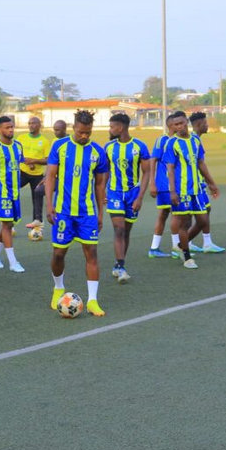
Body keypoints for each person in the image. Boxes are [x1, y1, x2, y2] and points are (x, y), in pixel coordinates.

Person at [45, 110, 109, 316]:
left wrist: (100, 213)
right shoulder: (59, 146)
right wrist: (49, 205)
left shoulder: (98, 152)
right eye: (81, 132)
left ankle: (92, 301)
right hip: (63, 212)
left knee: (91, 254)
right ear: (74, 128)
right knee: (58, 253)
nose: (84, 136)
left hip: (87, 213)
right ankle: (58, 289)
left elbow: (100, 185)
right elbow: (51, 176)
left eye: (88, 133)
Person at [0, 116, 44, 272]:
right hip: (2, 192)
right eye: (7, 127)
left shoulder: (18, 146)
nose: (10, 130)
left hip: (15, 192)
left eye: (12, 127)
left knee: (9, 224)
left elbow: (19, 163)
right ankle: (13, 262)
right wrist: (1, 182)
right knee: (6, 224)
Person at [163, 111, 219, 269]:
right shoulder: (171, 143)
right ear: (173, 127)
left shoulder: (195, 140)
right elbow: (171, 168)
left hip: (198, 188)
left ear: (186, 122)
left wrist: (211, 183)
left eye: (182, 123)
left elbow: (201, 163)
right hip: (182, 190)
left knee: (202, 220)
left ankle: (181, 246)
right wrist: (172, 192)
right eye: (176, 125)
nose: (180, 127)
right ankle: (187, 257)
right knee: (185, 222)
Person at [104, 113, 151, 283]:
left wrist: (140, 197)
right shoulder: (108, 147)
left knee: (127, 231)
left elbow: (146, 172)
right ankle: (122, 267)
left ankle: (118, 263)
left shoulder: (139, 146)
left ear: (120, 127)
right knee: (119, 229)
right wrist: (102, 191)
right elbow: (105, 171)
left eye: (112, 126)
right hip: (115, 192)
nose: (110, 130)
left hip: (132, 193)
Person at [183, 111, 224, 254]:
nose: (207, 125)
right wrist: (211, 183)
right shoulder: (193, 140)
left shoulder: (195, 139)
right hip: (192, 185)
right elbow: (200, 164)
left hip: (197, 183)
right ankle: (185, 243)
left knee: (204, 211)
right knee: (196, 215)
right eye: (205, 123)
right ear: (199, 124)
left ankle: (204, 242)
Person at [147, 115, 174, 258]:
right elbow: (153, 160)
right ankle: (156, 248)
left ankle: (176, 246)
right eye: (177, 124)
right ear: (171, 125)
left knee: (178, 216)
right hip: (164, 185)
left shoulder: (181, 141)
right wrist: (152, 182)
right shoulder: (162, 140)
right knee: (167, 215)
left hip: (178, 185)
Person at [17, 116, 50, 228]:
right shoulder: (21, 138)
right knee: (11, 189)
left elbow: (48, 160)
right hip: (22, 172)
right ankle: (10, 220)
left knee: (37, 194)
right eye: (29, 123)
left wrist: (34, 161)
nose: (31, 125)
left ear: (39, 125)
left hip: (37, 174)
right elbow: (16, 153)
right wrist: (26, 161)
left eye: (34, 123)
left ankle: (38, 221)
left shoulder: (44, 141)